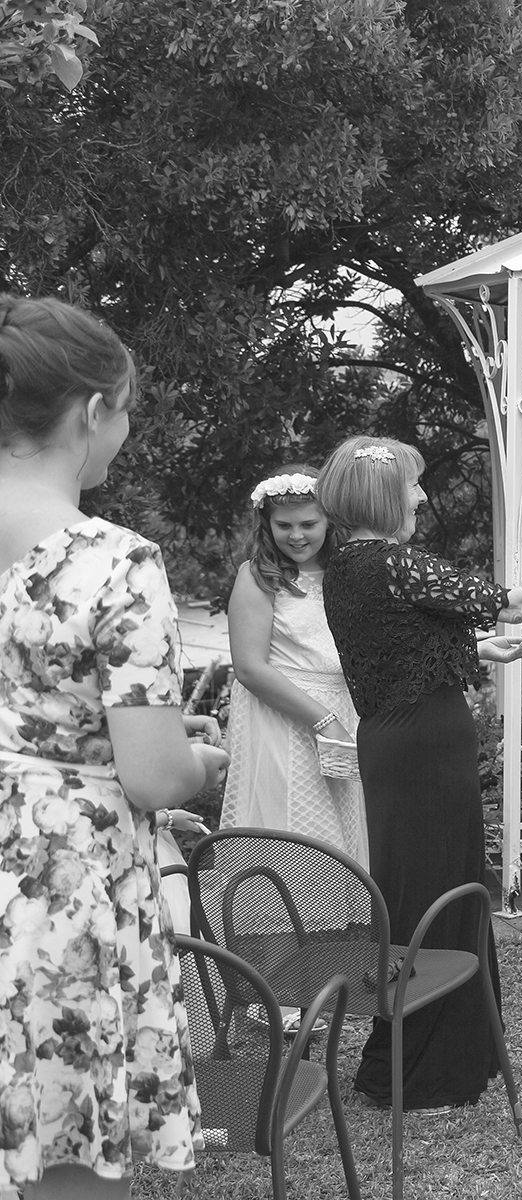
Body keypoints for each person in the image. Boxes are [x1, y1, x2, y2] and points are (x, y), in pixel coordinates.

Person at [318, 435, 522, 1110]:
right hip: (424, 747)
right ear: (381, 496)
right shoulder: (391, 564)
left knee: (422, 885)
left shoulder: (345, 569)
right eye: (411, 485)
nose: (420, 496)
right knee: (436, 890)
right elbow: (509, 601)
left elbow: (394, 646)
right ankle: (428, 1065)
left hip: (396, 742)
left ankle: (423, 1052)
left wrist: (475, 649)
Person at [0, 294, 224, 1199]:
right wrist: (196, 762)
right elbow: (154, 774)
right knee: (65, 1161)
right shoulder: (112, 561)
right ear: (93, 410)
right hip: (59, 888)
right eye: (126, 411)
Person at [222, 465, 367, 862]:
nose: (297, 536)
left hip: (343, 708)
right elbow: (249, 667)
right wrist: (323, 720)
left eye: (308, 524)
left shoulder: (347, 571)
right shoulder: (258, 576)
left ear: (329, 520)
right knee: (298, 830)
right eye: (284, 525)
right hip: (282, 717)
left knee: (346, 831)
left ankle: (341, 903)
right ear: (267, 525)